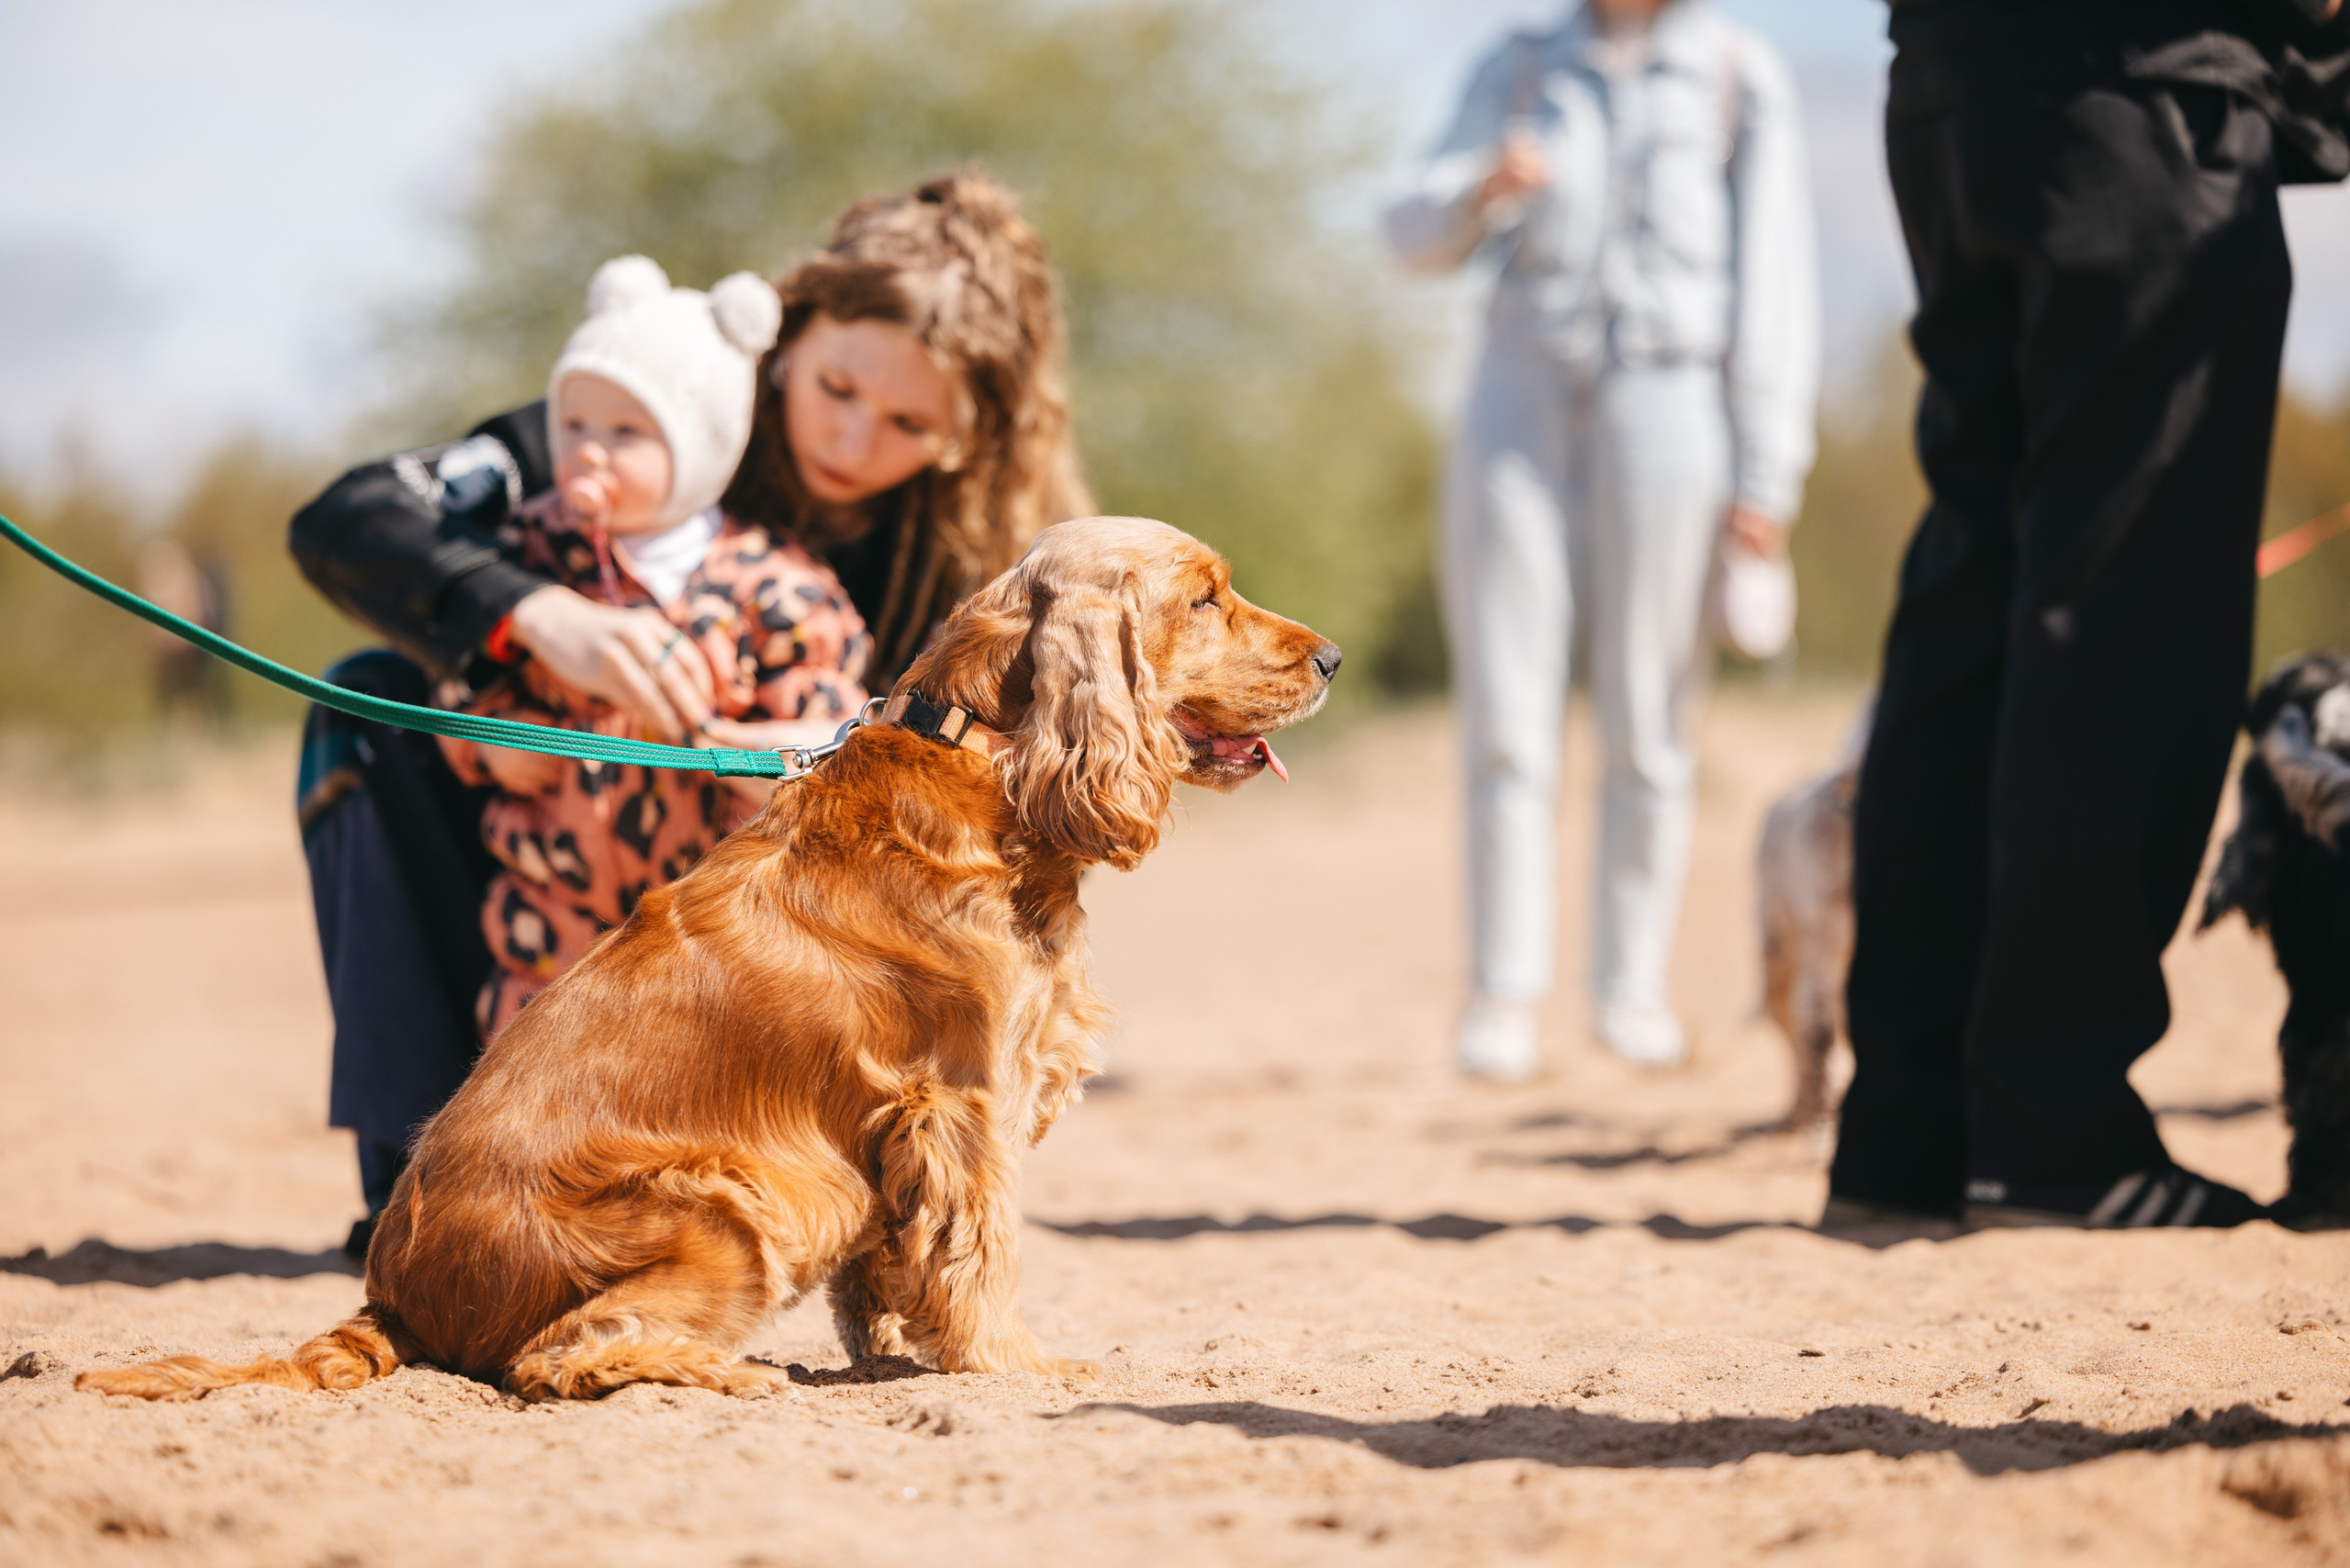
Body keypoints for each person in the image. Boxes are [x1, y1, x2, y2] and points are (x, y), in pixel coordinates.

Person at [288, 174, 1092, 1246]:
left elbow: (1031, 755)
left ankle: (863, 1181)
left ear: (967, 437)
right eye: (836, 387)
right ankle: (415, 1173)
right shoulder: (630, 420)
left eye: (907, 422)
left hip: (790, 928)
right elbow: (349, 517)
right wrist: (534, 615)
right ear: (789, 337)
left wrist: (846, 738)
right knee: (360, 701)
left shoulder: (981, 547)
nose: (853, 440)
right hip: (544, 858)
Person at [1828, 0, 2347, 1232]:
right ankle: (2051, 1131)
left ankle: (1911, 1133)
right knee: (2129, 614)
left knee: (1977, 592)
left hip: (1959, 85)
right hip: (2147, 87)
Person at [1384, 0, 1819, 1081]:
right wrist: (1481, 184)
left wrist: (1767, 467)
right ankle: (1502, 996)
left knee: (1651, 715)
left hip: (1672, 401)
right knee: (1504, 710)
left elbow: (1776, 281)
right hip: (1516, 396)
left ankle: (1630, 992)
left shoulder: (1734, 74)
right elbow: (1406, 232)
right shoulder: (1521, 63)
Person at [435, 254, 869, 1039]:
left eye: (627, 431)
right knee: (531, 1079)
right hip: (552, 916)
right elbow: (458, 678)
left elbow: (830, 719)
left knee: (701, 1076)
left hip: (704, 924)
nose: (590, 452)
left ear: (702, 444)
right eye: (574, 425)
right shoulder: (528, 559)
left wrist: (783, 757)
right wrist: (486, 743)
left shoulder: (777, 583)